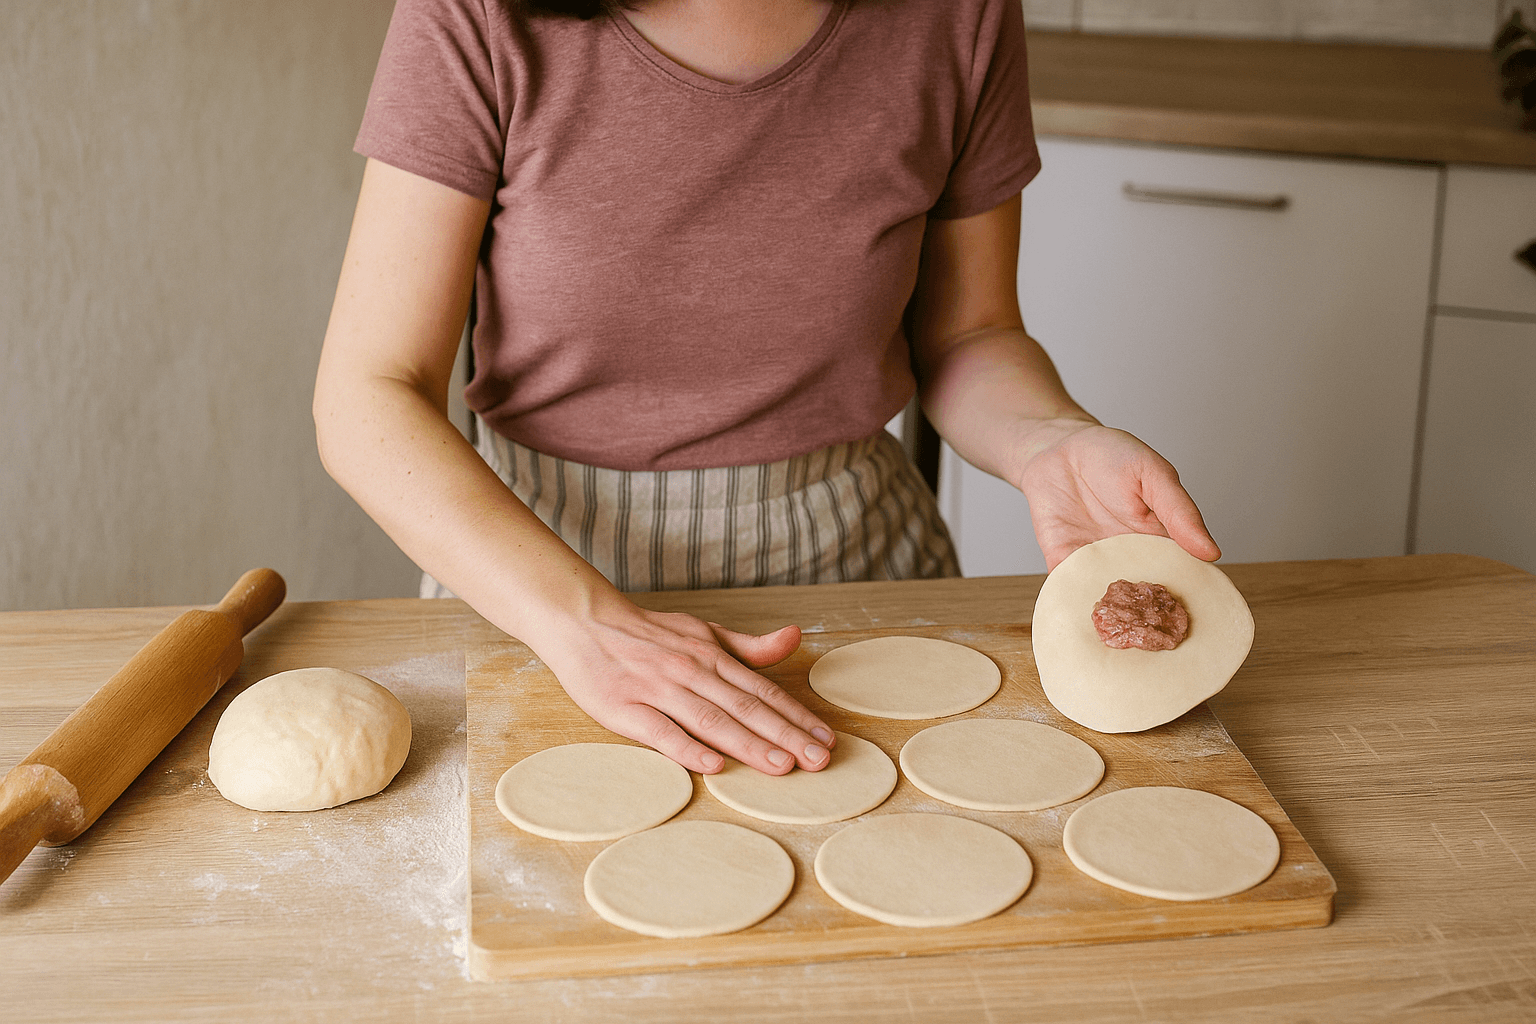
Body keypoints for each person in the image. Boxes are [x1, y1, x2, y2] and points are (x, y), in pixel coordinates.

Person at [313, 0, 1220, 781]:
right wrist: (580, 622)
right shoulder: (477, 15)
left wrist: (1050, 441)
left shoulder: (958, 13)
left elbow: (968, 335)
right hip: (538, 584)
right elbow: (370, 391)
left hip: (857, 571)